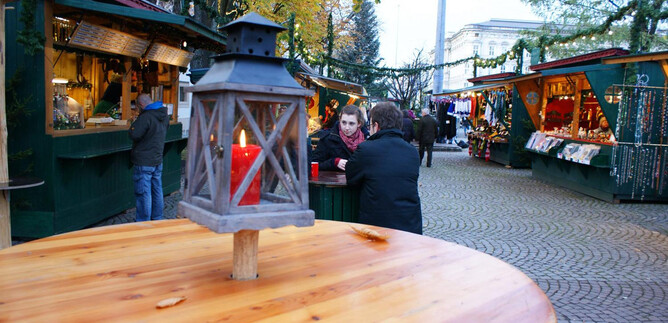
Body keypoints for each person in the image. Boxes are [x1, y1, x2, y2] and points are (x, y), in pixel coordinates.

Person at [345, 102, 422, 234]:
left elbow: (351, 177)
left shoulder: (366, 149)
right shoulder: (412, 152)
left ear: (376, 126)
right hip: (410, 224)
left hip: (378, 226)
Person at [129, 94, 169, 222]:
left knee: (143, 193)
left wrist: (134, 122)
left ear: (140, 105)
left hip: (144, 160)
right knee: (157, 189)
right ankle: (157, 218)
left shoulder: (146, 117)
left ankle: (143, 222)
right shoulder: (163, 115)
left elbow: (134, 134)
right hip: (157, 158)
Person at [312, 105, 366, 171]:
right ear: (340, 120)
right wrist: (334, 162)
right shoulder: (327, 139)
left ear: (359, 124)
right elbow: (315, 164)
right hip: (332, 180)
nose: (347, 127)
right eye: (344, 122)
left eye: (351, 123)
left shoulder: (366, 140)